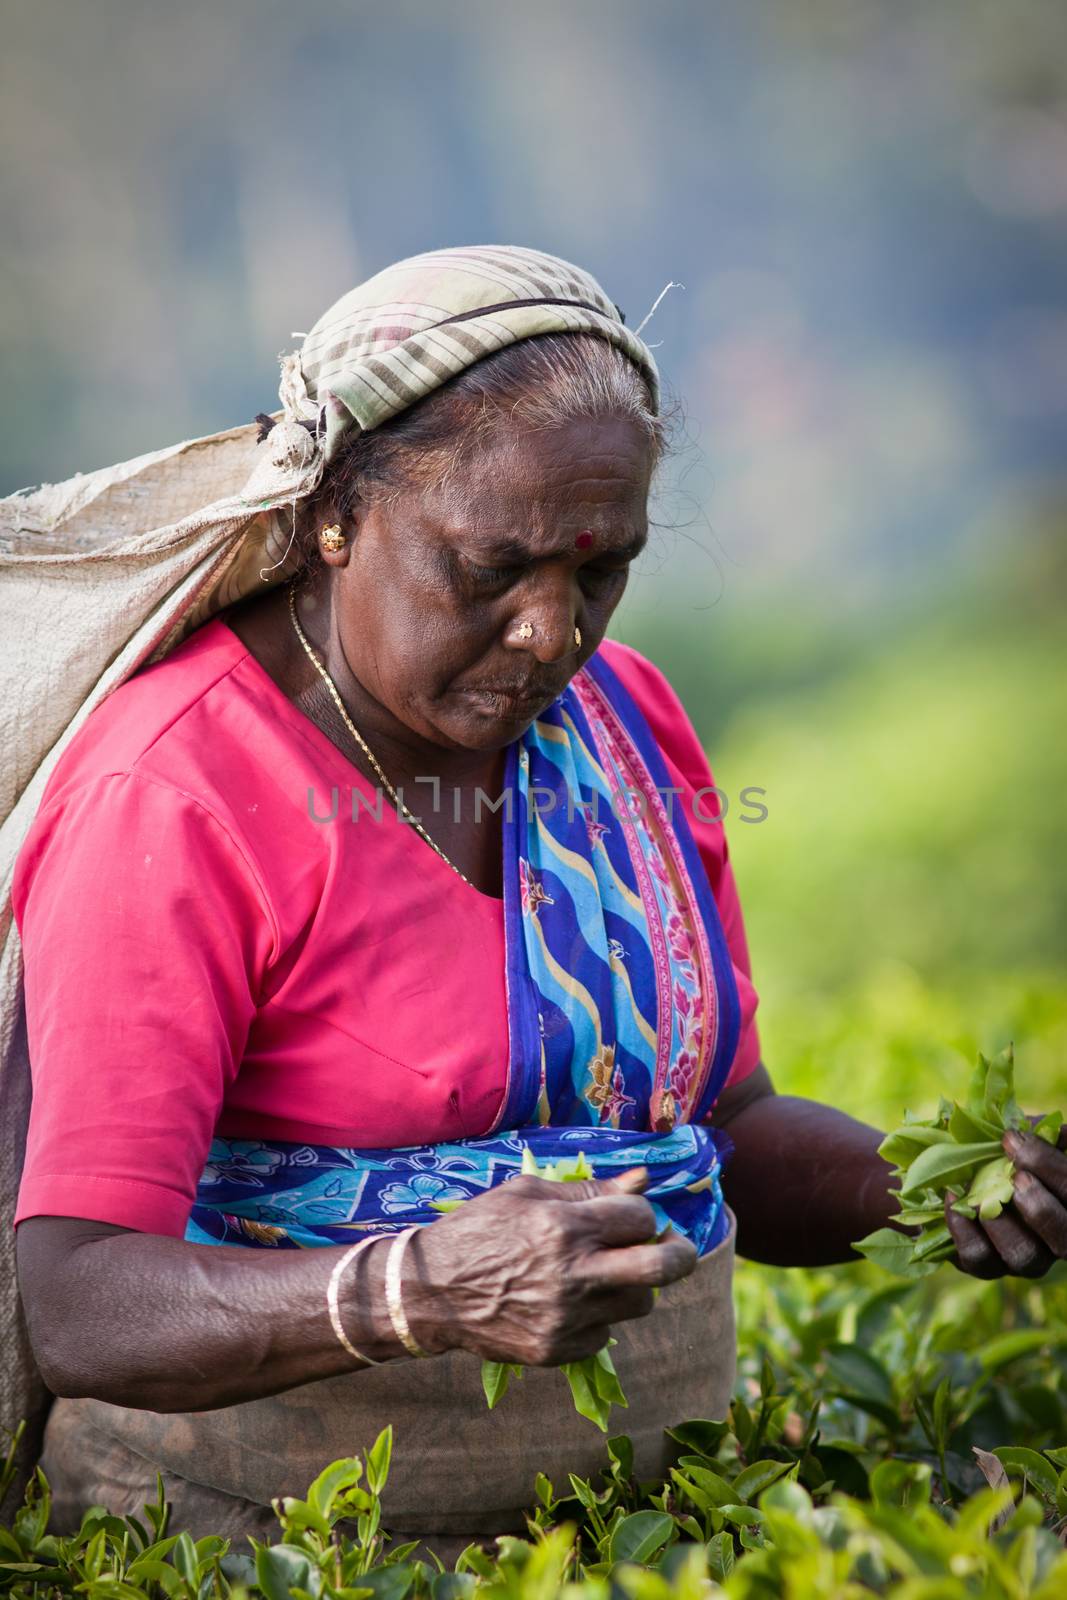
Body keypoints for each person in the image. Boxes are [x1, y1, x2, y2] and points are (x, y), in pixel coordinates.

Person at [8, 246, 1067, 1555]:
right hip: (278, 1550)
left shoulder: (628, 727)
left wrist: (921, 1185)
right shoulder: (176, 789)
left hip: (643, 1536)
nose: (550, 633)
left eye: (600, 570)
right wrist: (417, 1290)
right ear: (339, 511)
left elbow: (722, 1127)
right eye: (489, 568)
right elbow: (82, 1297)